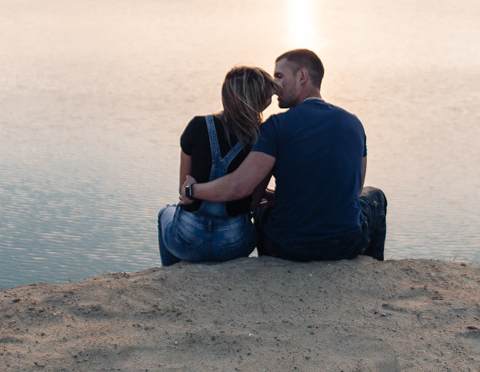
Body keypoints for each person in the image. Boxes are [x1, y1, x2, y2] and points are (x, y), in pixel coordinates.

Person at [182, 49, 386, 262]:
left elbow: (240, 187)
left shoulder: (276, 126)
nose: (274, 86)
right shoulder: (353, 123)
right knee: (375, 196)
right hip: (346, 244)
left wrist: (193, 189)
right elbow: (353, 191)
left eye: (279, 76)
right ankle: (373, 267)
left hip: (287, 248)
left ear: (302, 76)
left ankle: (268, 265)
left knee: (261, 213)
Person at [157, 65, 275, 266]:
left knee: (164, 213)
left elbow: (184, 191)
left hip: (187, 239)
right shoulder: (264, 139)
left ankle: (170, 273)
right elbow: (253, 203)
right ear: (259, 100)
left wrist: (196, 187)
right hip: (233, 244)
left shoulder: (197, 126)